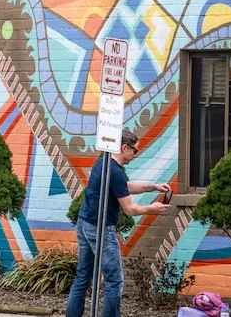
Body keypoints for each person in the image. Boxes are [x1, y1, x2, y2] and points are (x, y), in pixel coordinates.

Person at [66, 129, 170, 317]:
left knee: (83, 277)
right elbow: (129, 209)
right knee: (115, 280)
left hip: (85, 223)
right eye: (134, 151)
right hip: (101, 228)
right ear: (124, 148)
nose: (135, 155)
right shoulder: (115, 172)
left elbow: (124, 186)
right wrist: (152, 208)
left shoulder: (103, 163)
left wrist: (153, 186)